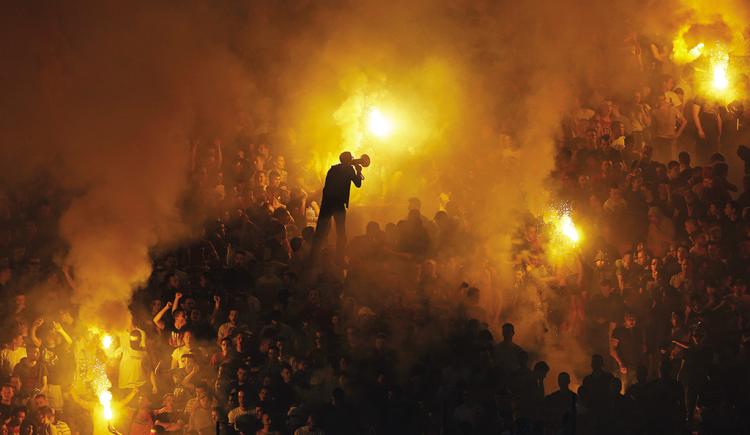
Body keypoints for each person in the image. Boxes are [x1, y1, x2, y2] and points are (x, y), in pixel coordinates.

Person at [313, 152, 364, 259]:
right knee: (341, 233)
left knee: (321, 231)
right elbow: (358, 184)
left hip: (327, 203)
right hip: (338, 204)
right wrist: (358, 171)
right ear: (348, 160)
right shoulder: (349, 170)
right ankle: (339, 258)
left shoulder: (333, 169)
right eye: (351, 158)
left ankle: (314, 256)